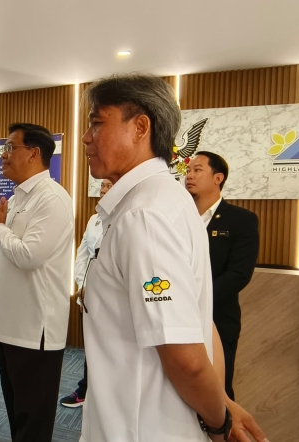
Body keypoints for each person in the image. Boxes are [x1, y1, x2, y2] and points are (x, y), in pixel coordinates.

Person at [78, 74, 266, 442]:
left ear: (140, 128)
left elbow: (188, 359)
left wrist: (219, 423)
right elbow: (198, 319)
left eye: (97, 123)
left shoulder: (143, 215)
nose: (86, 137)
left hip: (138, 428)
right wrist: (222, 402)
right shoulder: (165, 200)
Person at [0, 123, 74, 442]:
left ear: (33, 153)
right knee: (17, 411)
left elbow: (29, 256)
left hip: (36, 330)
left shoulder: (53, 199)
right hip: (8, 324)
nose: (3, 156)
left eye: (10, 148)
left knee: (34, 418)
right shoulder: (17, 197)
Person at [185, 151, 259, 400]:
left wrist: (195, 299)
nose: (189, 175)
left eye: (197, 170)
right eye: (188, 170)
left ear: (218, 178)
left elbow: (239, 274)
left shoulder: (241, 220)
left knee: (218, 390)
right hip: (177, 315)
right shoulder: (178, 217)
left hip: (217, 317)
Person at [59, 178, 113, 408]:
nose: (103, 190)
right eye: (102, 186)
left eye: (109, 186)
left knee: (111, 348)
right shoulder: (94, 219)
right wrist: (81, 283)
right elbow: (83, 255)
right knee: (92, 345)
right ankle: (86, 389)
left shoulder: (126, 217)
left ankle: (107, 395)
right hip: (89, 292)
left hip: (113, 296)